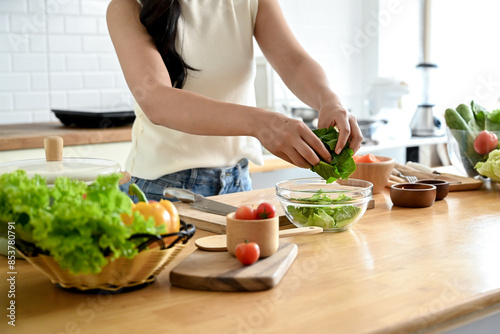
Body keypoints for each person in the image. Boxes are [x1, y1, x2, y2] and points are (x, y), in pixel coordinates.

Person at [107, 0, 363, 201]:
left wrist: (329, 99)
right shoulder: (127, 7)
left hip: (238, 182)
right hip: (161, 192)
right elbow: (157, 100)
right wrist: (262, 124)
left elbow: (294, 63)